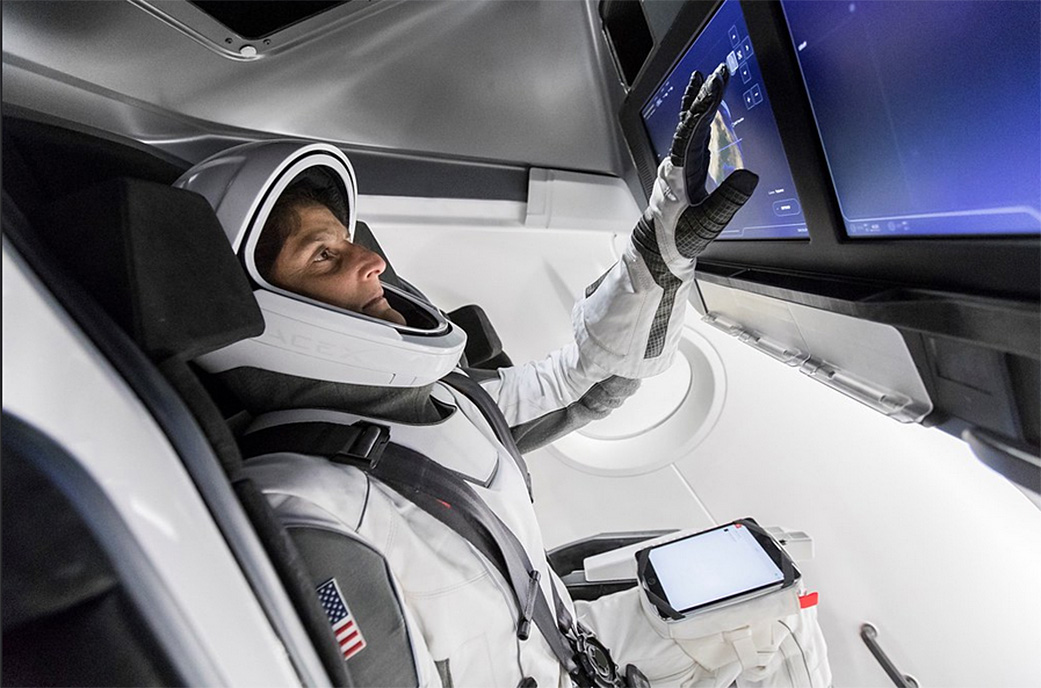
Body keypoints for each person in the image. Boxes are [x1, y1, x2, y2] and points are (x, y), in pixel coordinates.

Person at [177, 65, 831, 687]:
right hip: (553, 663)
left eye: (348, 240)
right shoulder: (304, 512)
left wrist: (661, 244)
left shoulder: (434, 398)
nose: (372, 261)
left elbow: (583, 380)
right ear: (258, 309)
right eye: (324, 255)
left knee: (780, 587)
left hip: (570, 643)